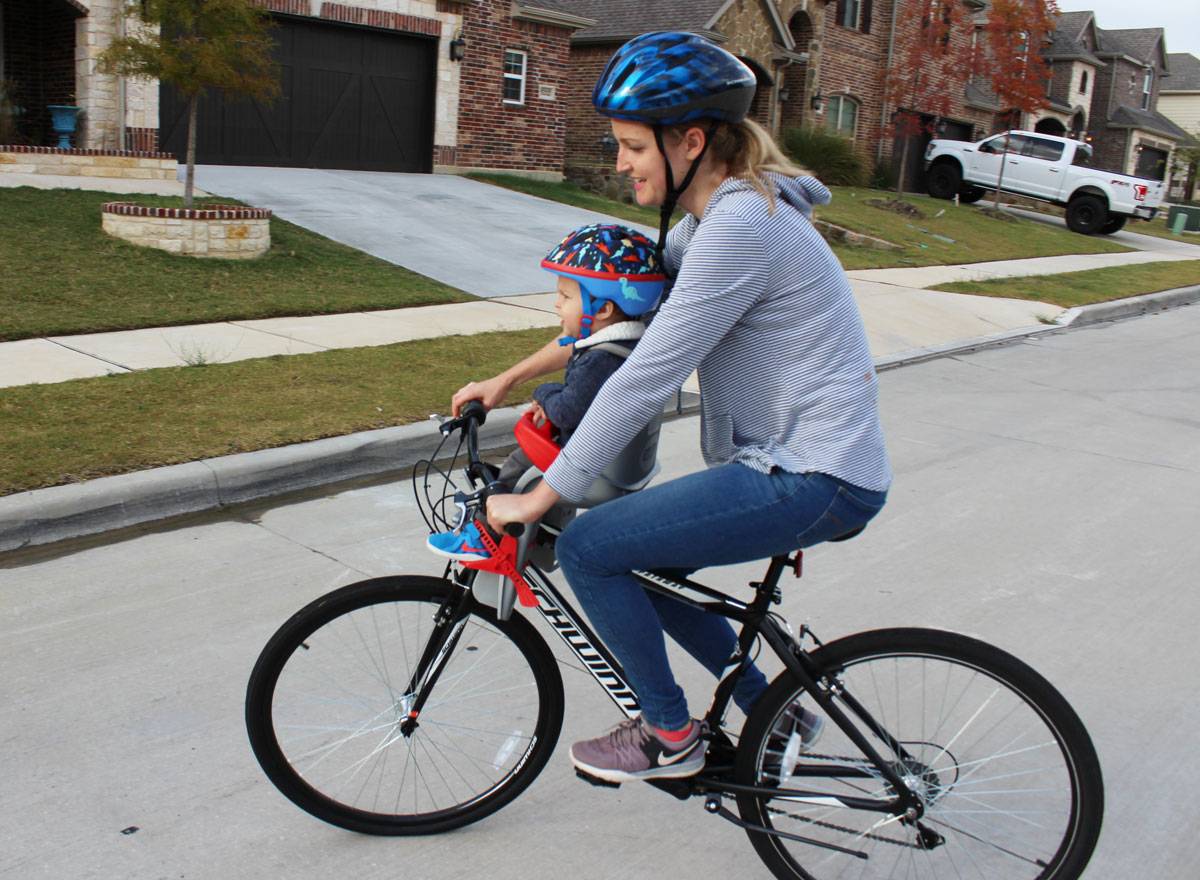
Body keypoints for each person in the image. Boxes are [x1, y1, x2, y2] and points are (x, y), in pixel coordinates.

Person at [452, 31, 891, 784]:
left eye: (631, 146)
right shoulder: (706, 225)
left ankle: (669, 736)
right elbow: (626, 324)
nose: (619, 162)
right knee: (641, 561)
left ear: (691, 141)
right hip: (797, 466)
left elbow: (644, 375)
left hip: (812, 473)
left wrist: (544, 498)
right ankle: (776, 711)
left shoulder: (742, 228)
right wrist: (506, 379)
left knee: (591, 549)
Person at [427, 223, 665, 562]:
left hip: (589, 464)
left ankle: (482, 536)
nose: (556, 304)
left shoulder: (601, 359)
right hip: (616, 461)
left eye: (566, 297)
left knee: (519, 464)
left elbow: (569, 409)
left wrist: (544, 390)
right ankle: (535, 536)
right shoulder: (625, 342)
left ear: (602, 310)